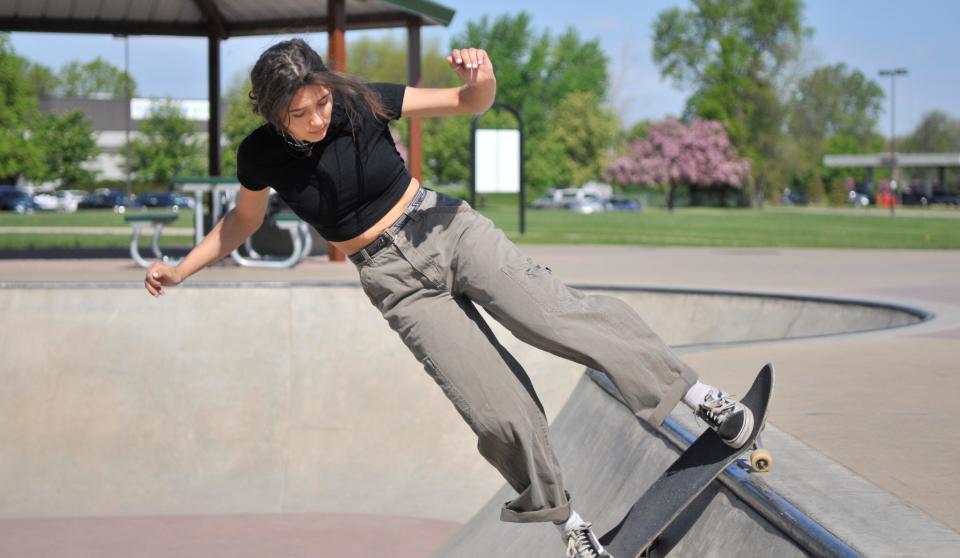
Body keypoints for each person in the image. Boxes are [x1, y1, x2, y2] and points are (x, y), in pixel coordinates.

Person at [142, 38, 753, 558]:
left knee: (552, 318)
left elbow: (466, 103)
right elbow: (241, 223)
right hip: (393, 282)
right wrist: (182, 270)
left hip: (446, 228)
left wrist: (481, 77)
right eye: (300, 113)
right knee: (495, 408)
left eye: (321, 101)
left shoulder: (361, 99)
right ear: (274, 113)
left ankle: (699, 397)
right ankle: (572, 527)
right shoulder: (260, 154)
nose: (318, 118)